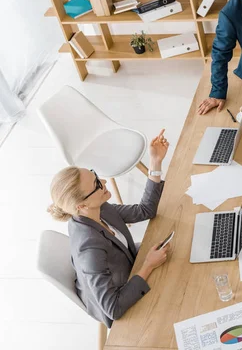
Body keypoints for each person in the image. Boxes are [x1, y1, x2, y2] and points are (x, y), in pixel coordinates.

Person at [47, 129, 171, 328]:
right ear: (81, 205)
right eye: (97, 184)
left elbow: (145, 210)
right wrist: (147, 265)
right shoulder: (89, 249)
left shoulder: (99, 208)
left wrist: (155, 163)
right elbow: (113, 308)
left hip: (129, 270)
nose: (104, 182)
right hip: (123, 303)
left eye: (96, 175)